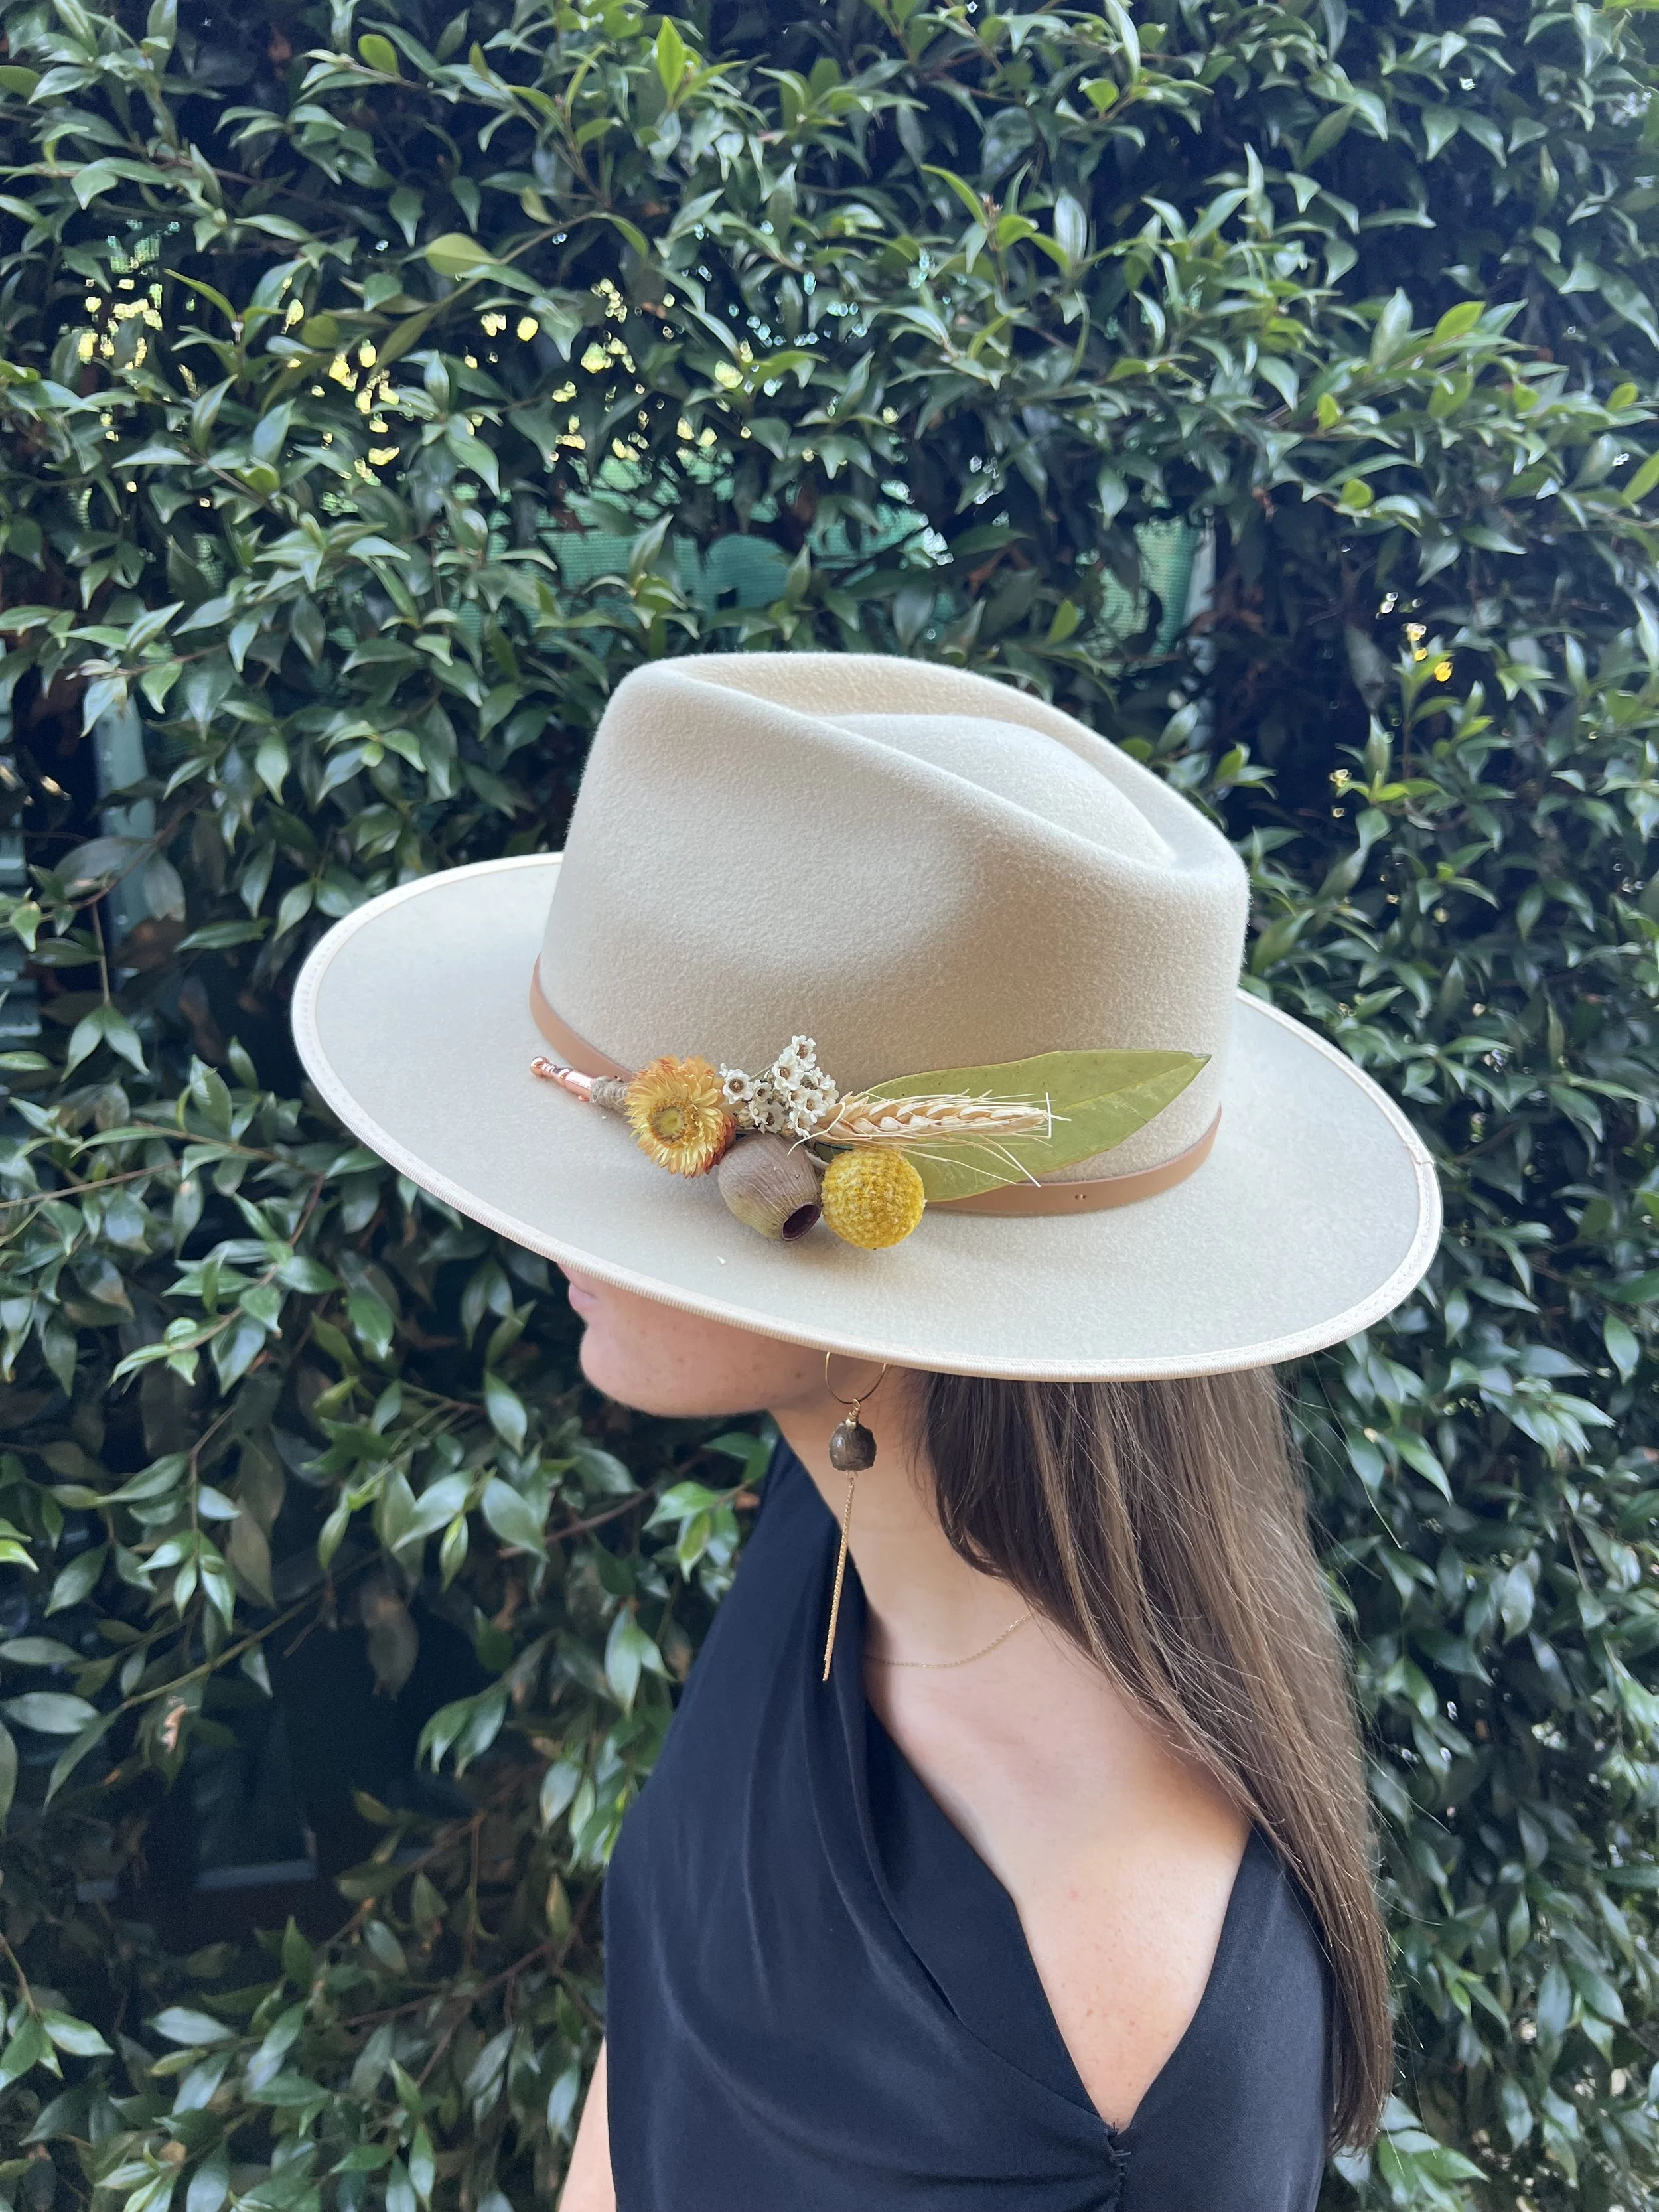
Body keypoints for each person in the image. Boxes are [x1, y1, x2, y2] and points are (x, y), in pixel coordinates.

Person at [293, 653, 1441, 2211]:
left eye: (645, 1133)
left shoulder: (1120, 1995)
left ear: (840, 1210)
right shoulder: (837, 1517)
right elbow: (666, 2046)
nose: (547, 1208)